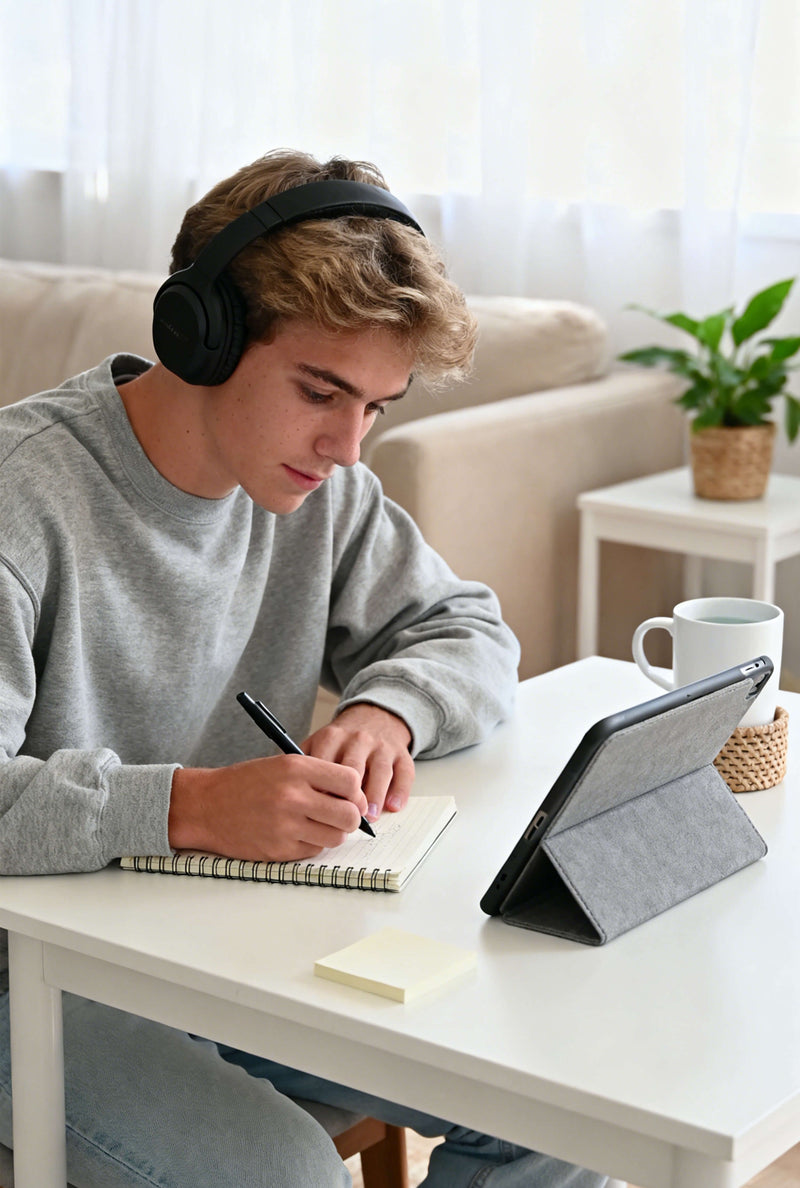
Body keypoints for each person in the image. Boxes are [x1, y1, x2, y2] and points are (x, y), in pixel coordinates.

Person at [0, 149, 606, 1187]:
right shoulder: (24, 499)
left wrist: (390, 711)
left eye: (377, 406)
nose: (347, 446)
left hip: (212, 940)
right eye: (321, 391)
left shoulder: (316, 489)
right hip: (27, 975)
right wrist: (187, 807)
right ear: (202, 337)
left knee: (559, 1101)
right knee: (286, 1175)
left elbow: (466, 629)